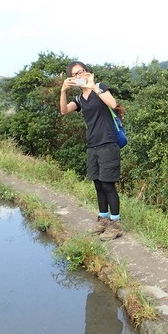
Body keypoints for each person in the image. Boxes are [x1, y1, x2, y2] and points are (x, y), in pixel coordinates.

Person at [60, 61, 124, 241]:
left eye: (82, 71)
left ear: (88, 72)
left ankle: (115, 224)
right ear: (72, 79)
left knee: (108, 184)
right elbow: (64, 111)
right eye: (76, 74)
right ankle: (103, 219)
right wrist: (63, 91)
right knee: (97, 184)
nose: (80, 75)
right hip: (92, 145)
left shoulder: (100, 88)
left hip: (108, 143)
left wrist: (94, 86)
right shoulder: (79, 99)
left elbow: (113, 104)